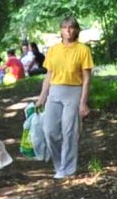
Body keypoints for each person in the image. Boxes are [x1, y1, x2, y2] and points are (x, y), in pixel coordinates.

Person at [34, 15, 93, 179]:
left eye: (71, 27)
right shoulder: (53, 50)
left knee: (69, 132)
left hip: (74, 92)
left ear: (76, 30)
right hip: (54, 92)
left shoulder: (83, 50)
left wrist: (83, 103)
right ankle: (59, 165)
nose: (68, 30)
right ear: (60, 30)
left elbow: (87, 78)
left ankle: (68, 169)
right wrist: (42, 97)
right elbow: (48, 75)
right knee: (49, 131)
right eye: (65, 27)